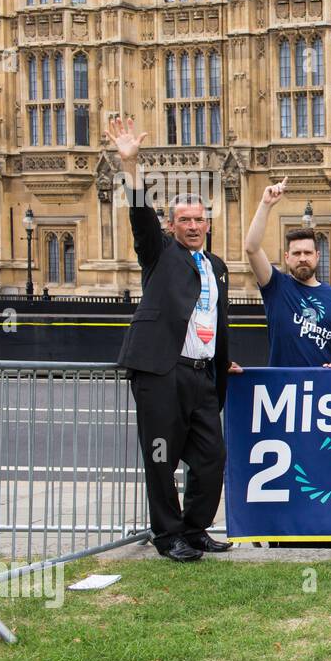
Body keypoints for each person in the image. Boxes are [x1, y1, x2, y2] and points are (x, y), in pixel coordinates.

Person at [108, 116, 241, 563]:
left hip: (202, 375)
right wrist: (131, 164)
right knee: (161, 458)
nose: (193, 226)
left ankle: (195, 528)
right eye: (183, 220)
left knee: (212, 456)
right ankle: (168, 537)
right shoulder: (160, 252)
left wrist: (223, 362)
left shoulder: (217, 266)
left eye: (199, 219)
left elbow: (214, 319)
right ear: (171, 226)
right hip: (162, 371)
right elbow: (140, 215)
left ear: (208, 223)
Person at [244, 177, 331, 369]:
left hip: (322, 386)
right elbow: (252, 248)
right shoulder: (276, 286)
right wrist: (265, 205)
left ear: (318, 255)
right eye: (296, 253)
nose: (302, 258)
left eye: (308, 253)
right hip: (282, 386)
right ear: (287, 257)